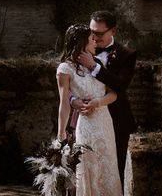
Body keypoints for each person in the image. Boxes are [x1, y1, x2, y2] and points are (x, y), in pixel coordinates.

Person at [57, 24, 122, 196]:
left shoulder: (98, 63)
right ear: (81, 43)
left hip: (105, 123)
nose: (96, 42)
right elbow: (63, 103)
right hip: (85, 126)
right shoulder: (65, 69)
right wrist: (61, 133)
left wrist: (97, 103)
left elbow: (114, 94)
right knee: (87, 169)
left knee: (107, 168)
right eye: (91, 39)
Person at [75, 10, 137, 189]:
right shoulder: (80, 49)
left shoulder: (127, 55)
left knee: (115, 170)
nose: (94, 37)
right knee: (82, 170)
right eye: (92, 32)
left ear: (113, 31)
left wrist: (94, 67)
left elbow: (121, 85)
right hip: (84, 120)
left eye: (99, 34)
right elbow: (68, 81)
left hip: (116, 119)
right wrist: (73, 101)